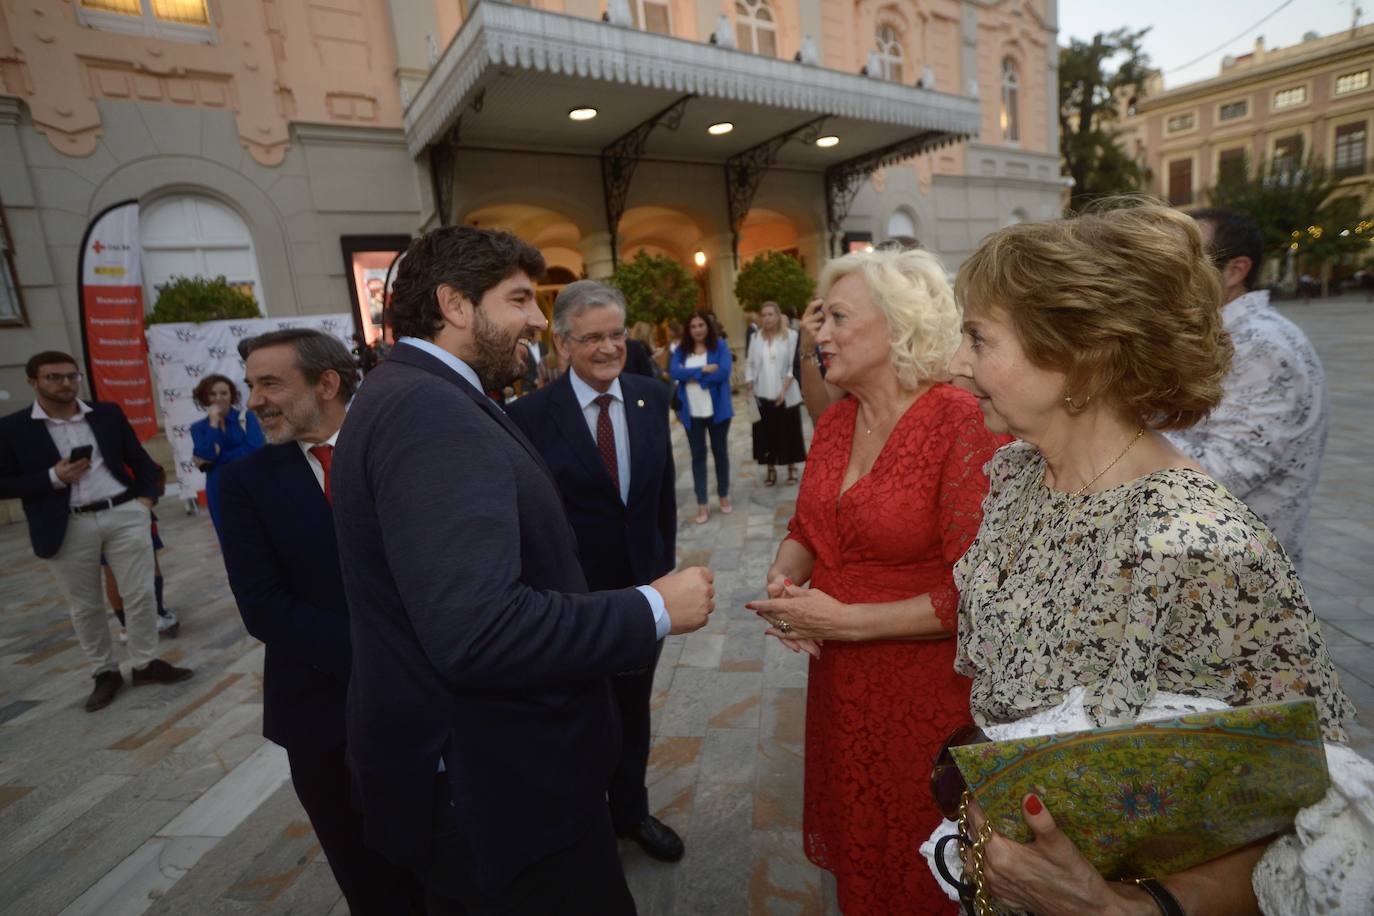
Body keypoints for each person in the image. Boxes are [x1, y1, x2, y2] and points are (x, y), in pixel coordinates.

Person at [945, 202, 1353, 915]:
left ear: (1083, 355)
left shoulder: (1196, 546)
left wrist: (1130, 908)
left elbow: (1299, 808)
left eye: (979, 338)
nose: (957, 364)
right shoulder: (1019, 476)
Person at [329, 226, 716, 915]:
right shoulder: (429, 411)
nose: (539, 321)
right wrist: (651, 607)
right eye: (517, 301)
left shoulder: (410, 393)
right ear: (453, 304)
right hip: (497, 791)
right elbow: (478, 630)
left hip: (477, 771)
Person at [745, 249, 1008, 915]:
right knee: (857, 838)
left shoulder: (961, 422)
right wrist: (785, 582)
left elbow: (978, 591)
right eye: (818, 319)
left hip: (928, 693)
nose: (819, 334)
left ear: (899, 326)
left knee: (920, 857)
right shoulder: (837, 420)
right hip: (840, 687)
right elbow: (809, 527)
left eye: (836, 318)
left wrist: (846, 622)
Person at [216, 329, 422, 915]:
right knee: (370, 877)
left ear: (327, 383)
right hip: (323, 716)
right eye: (250, 385)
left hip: (435, 700)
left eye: (270, 383)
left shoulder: (401, 449)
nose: (253, 400)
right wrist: (384, 652)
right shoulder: (244, 484)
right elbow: (263, 606)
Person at [507, 280, 683, 864]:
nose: (608, 348)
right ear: (562, 345)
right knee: (581, 715)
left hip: (641, 595)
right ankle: (582, 825)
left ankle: (630, 811)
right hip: (570, 603)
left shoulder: (649, 395)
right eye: (592, 338)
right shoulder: (528, 417)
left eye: (616, 335)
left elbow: (661, 499)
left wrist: (661, 575)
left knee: (633, 710)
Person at [0, 352, 193, 712]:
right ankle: (104, 672)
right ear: (33, 382)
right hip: (65, 522)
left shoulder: (106, 414)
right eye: (54, 377)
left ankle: (145, 662)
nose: (65, 384)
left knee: (140, 593)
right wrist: (52, 478)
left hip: (123, 512)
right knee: (85, 605)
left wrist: (146, 500)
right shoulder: (13, 428)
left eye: (71, 376)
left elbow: (137, 458)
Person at [1166, 208, 1328, 569]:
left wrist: (1113, 426)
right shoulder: (1218, 336)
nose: (1164, 269)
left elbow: (1226, 474)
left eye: (1184, 257)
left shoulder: (1263, 346)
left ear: (1236, 271)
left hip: (1240, 577)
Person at [669, 310, 734, 524]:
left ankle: (723, 495)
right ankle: (702, 503)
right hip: (692, 412)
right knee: (698, 457)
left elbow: (723, 372)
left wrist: (696, 378)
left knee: (720, 453)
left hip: (718, 412)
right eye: (693, 326)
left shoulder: (720, 346)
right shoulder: (681, 350)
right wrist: (703, 370)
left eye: (701, 325)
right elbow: (674, 372)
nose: (697, 329)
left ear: (708, 326)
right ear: (689, 329)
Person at [189, 373, 264, 533]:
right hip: (218, 487)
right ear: (205, 397)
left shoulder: (247, 417)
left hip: (249, 483)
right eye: (213, 394)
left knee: (257, 531)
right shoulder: (198, 428)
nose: (219, 398)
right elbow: (207, 454)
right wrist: (214, 424)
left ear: (232, 395)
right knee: (227, 535)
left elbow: (254, 448)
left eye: (224, 393)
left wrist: (218, 458)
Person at [745, 300, 806, 486]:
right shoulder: (756, 338)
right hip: (762, 393)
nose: (767, 318)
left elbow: (792, 365)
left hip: (785, 394)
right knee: (766, 433)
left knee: (789, 431)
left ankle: (791, 467)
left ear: (778, 316)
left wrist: (784, 389)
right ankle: (770, 468)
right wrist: (749, 383)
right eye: (764, 315)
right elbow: (750, 362)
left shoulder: (791, 335)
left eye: (771, 314)